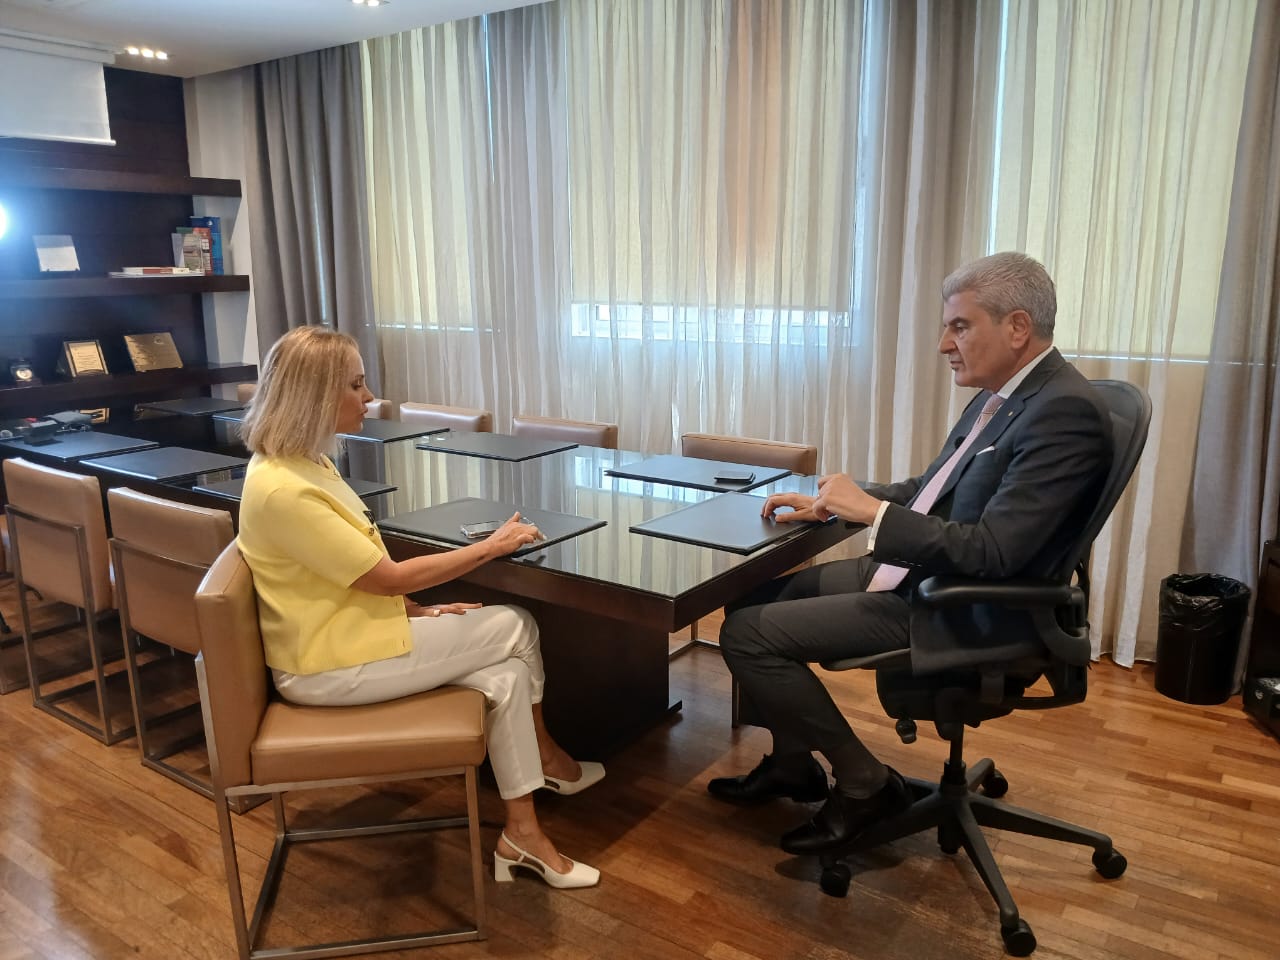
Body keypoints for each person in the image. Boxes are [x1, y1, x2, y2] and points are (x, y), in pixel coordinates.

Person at [708, 252, 1113, 855]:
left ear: (1017, 328)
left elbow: (995, 551)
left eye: (959, 326)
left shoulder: (1063, 413)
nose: (944, 344)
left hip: (963, 604)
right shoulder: (1006, 395)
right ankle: (793, 765)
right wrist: (836, 501)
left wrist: (873, 514)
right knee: (752, 598)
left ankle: (866, 784)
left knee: (747, 636)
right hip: (922, 574)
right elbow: (933, 490)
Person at [237, 326, 604, 889]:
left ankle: (522, 837)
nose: (369, 397)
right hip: (327, 666)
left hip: (346, 636)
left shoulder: (304, 463)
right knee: (516, 625)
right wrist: (490, 548)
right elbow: (384, 576)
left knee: (506, 676)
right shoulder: (286, 489)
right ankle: (548, 756)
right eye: (355, 385)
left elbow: (337, 574)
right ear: (313, 395)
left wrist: (411, 609)